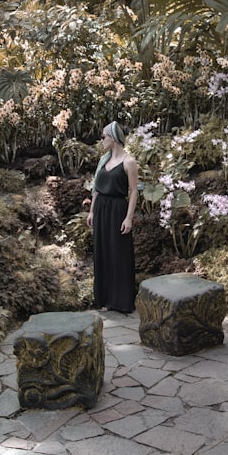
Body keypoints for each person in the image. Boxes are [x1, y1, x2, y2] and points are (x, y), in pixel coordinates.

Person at [87, 121, 139, 313]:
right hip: (101, 210)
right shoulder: (104, 161)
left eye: (104, 136)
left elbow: (133, 192)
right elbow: (96, 190)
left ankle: (121, 301)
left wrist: (129, 218)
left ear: (114, 138)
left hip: (117, 210)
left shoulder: (129, 162)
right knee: (103, 252)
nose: (101, 140)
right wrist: (92, 211)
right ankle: (105, 299)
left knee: (118, 254)